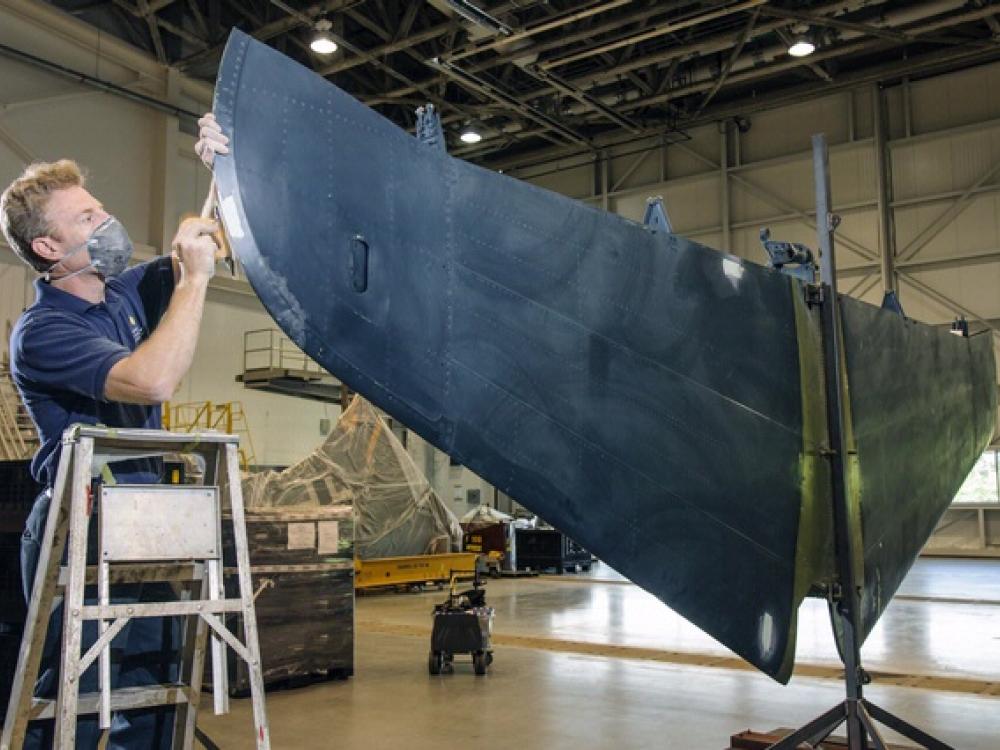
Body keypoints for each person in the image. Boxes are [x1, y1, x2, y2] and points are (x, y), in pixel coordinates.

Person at [0, 113, 230, 748]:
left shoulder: (123, 296)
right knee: (70, 698)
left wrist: (224, 171)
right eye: (86, 219)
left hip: (143, 521)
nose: (107, 224)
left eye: (99, 210)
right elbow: (151, 381)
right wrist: (196, 282)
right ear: (49, 248)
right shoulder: (44, 332)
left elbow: (201, 237)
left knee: (152, 688)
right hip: (81, 523)